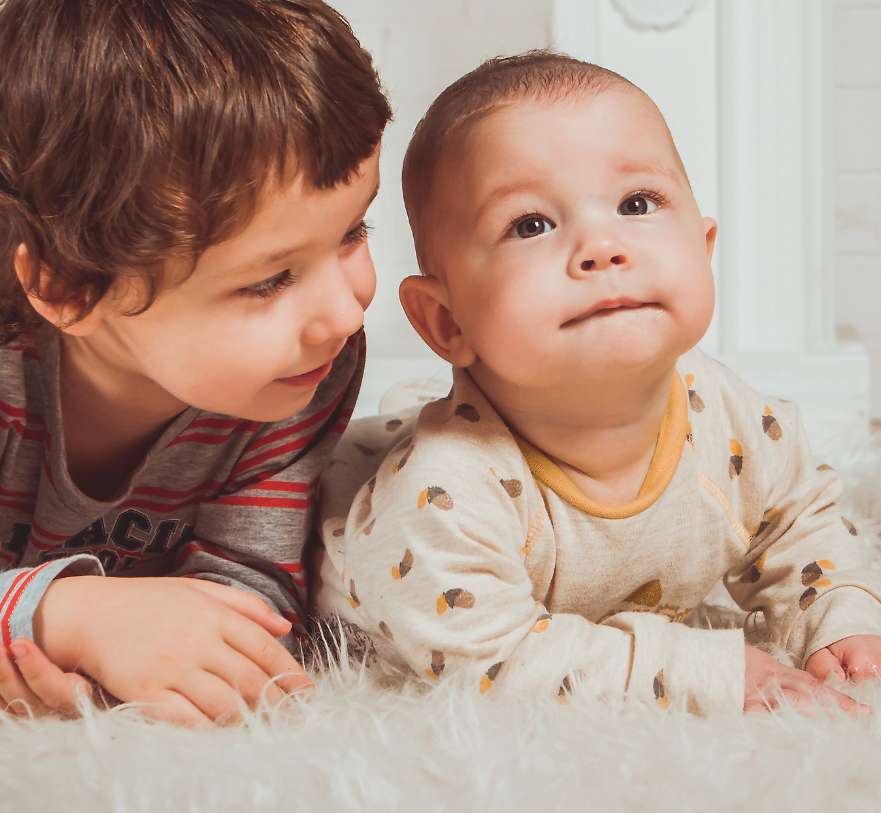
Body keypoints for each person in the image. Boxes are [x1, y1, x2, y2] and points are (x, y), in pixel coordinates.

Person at [0, 0, 390, 726]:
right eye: (270, 278)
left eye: (352, 233)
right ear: (70, 288)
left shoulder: (303, 366)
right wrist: (68, 619)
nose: (346, 311)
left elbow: (252, 594)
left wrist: (141, 663)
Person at [314, 50, 881, 716]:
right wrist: (700, 671)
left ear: (704, 249)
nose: (601, 246)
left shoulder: (728, 414)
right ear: (446, 320)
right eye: (530, 224)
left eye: (637, 203)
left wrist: (842, 617)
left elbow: (797, 524)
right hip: (348, 533)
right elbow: (492, 665)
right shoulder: (441, 494)